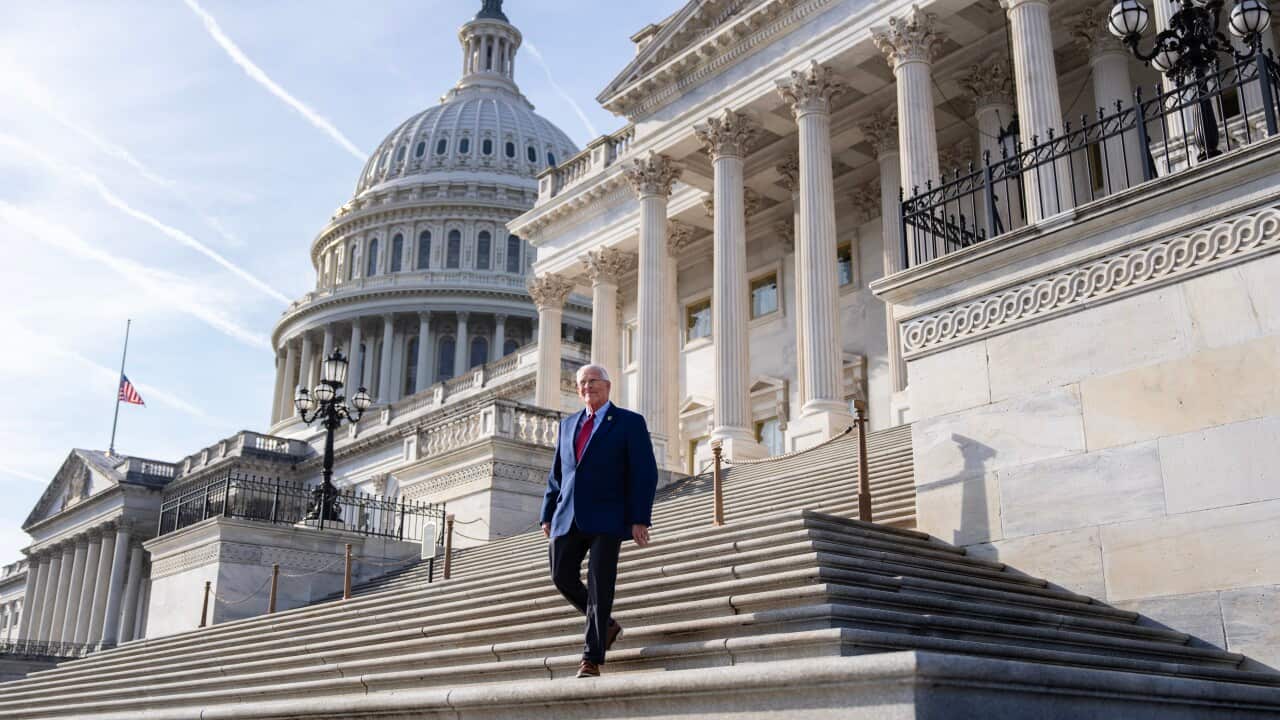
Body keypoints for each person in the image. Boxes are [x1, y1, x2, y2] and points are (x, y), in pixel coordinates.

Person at [540, 363, 658, 678]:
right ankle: (606, 625)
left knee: (599, 585)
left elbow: (644, 473)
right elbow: (557, 475)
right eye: (582, 382)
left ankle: (591, 658)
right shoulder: (567, 425)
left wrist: (639, 518)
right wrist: (548, 512)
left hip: (608, 515)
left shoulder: (629, 423)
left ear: (607, 386)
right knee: (561, 575)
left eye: (593, 381)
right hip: (568, 516)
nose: (587, 387)